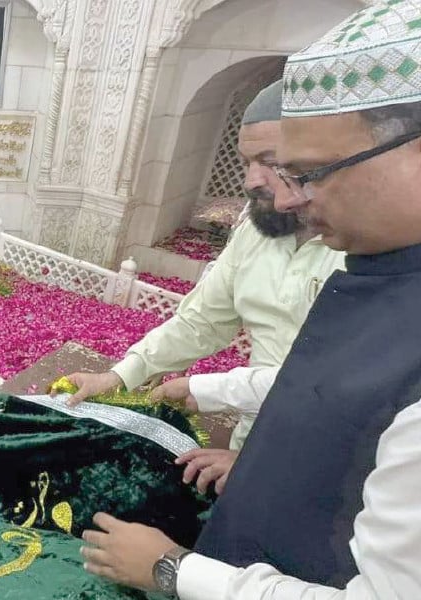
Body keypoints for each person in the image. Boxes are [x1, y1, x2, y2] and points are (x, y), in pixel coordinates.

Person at [80, 2, 421, 598]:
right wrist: (146, 379)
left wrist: (173, 571)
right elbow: (326, 386)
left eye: (301, 170)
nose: (280, 193)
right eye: (256, 163)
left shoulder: (367, 253)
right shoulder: (381, 263)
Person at [67, 80, 345, 453]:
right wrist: (120, 376)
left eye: (271, 162)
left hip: (335, 454)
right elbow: (203, 321)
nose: (251, 181)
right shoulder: (256, 231)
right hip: (253, 439)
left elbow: (340, 380)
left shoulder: (370, 250)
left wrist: (208, 390)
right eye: (248, 163)